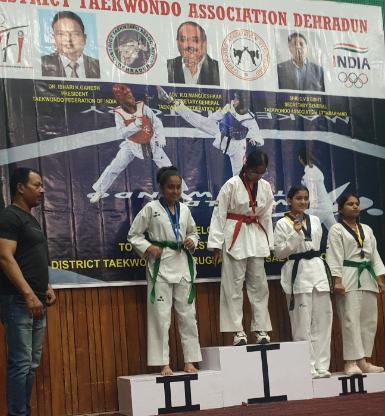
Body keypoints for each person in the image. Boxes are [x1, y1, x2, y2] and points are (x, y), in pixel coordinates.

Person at [0, 167, 58, 416]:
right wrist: (28, 294)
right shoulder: (8, 217)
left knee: (31, 363)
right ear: (20, 187)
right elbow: (5, 258)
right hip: (19, 301)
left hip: (36, 300)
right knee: (20, 363)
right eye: (37, 185)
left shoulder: (30, 219)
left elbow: (32, 259)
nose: (42, 190)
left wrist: (46, 287)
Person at [127, 166, 202, 375]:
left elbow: (194, 233)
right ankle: (163, 363)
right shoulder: (151, 209)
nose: (175, 191)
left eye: (178, 187)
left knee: (188, 315)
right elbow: (133, 235)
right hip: (159, 267)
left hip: (182, 265)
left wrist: (192, 241)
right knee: (161, 317)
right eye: (171, 187)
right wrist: (148, 247)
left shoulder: (184, 209)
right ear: (161, 188)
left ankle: (190, 360)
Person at [208, 150, 273, 346]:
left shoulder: (265, 187)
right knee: (233, 286)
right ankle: (237, 332)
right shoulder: (232, 185)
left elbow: (267, 215)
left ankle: (261, 329)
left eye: (262, 172)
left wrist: (269, 242)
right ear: (247, 167)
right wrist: (216, 245)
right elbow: (219, 214)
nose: (258, 176)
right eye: (255, 172)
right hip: (234, 235)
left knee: (259, 285)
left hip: (256, 235)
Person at [90, 84, 188, 204]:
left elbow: (156, 122)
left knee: (168, 168)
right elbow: (121, 133)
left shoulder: (143, 107)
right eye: (127, 96)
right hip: (132, 145)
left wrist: (161, 136)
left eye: (130, 94)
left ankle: (182, 192)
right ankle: (99, 191)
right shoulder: (119, 113)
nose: (131, 97)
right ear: (121, 99)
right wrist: (134, 125)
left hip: (151, 142)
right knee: (114, 167)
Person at [272, 185, 333, 378]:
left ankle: (322, 365)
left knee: (323, 321)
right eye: (299, 198)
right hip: (298, 272)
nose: (303, 201)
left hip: (318, 270)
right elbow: (279, 253)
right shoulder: (282, 223)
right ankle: (308, 366)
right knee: (302, 324)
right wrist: (295, 234)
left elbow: (317, 245)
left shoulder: (314, 220)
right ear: (289, 200)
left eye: (306, 198)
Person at [326, 192, 385, 375]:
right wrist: (337, 281)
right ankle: (350, 362)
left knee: (369, 320)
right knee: (350, 320)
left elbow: (374, 255)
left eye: (357, 203)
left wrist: (380, 279)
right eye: (350, 204)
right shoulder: (337, 229)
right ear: (340, 209)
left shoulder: (366, 229)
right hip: (348, 276)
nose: (355, 206)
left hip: (367, 276)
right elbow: (334, 256)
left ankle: (363, 361)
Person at [157, 87, 263, 177]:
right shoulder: (229, 107)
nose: (234, 100)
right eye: (234, 98)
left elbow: (258, 136)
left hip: (237, 144)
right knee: (197, 120)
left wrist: (255, 139)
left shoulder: (250, 118)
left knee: (239, 175)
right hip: (222, 131)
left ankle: (241, 194)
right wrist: (208, 122)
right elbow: (215, 116)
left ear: (241, 102)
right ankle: (172, 102)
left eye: (236, 99)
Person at [41, 11, 101, 79]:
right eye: (61, 34)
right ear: (53, 39)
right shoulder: (42, 64)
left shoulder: (97, 66)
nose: (68, 39)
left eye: (75, 34)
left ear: (84, 38)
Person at [167, 21, 220, 85]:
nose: (189, 45)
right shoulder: (168, 66)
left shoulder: (218, 68)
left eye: (195, 40)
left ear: (204, 43)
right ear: (177, 43)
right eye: (183, 40)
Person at [299, 147, 337, 230]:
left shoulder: (309, 174)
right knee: (335, 231)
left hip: (319, 209)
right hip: (327, 207)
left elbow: (313, 195)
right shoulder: (316, 170)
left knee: (306, 231)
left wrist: (312, 212)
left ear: (300, 159)